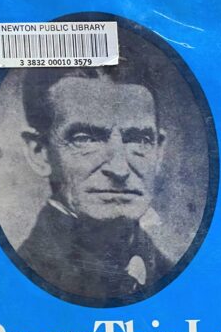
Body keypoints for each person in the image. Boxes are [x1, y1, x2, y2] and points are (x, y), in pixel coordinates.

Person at [17, 59, 171, 301]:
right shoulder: (20, 281)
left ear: (159, 152)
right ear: (40, 153)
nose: (119, 169)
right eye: (85, 139)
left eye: (139, 140)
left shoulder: (171, 273)